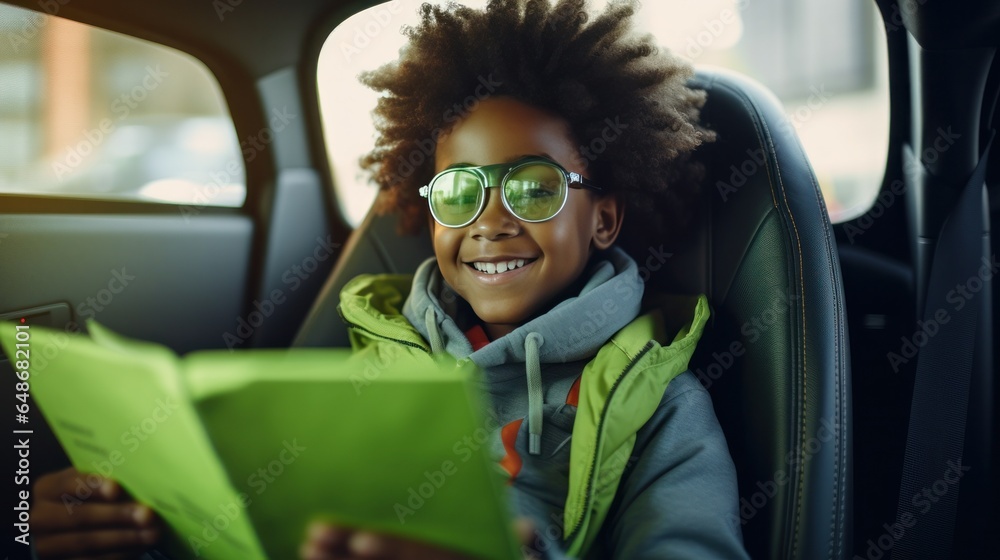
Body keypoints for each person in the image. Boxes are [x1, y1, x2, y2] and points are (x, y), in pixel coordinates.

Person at [29, 1, 748, 559]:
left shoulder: (658, 405)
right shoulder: (369, 363)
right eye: (458, 192)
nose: (489, 223)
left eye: (532, 189)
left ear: (604, 220)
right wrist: (127, 531)